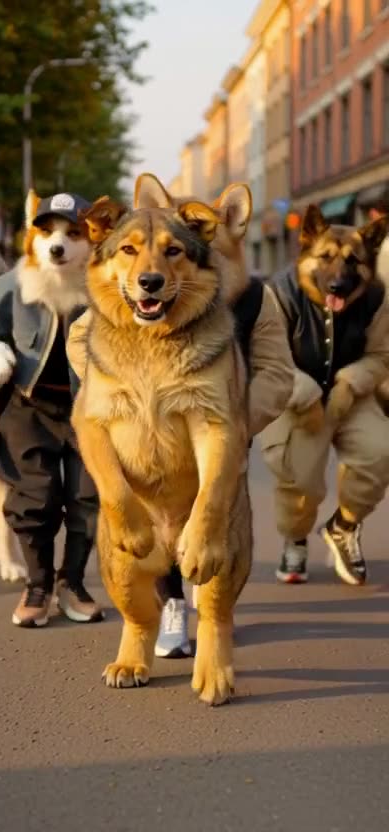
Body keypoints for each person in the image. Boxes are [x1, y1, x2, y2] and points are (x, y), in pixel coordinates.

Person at [0, 190, 103, 627]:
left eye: (72, 234)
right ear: (33, 236)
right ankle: (38, 585)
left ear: (93, 238)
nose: (57, 244)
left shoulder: (105, 289)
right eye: (47, 233)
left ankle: (73, 583)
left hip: (90, 408)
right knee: (33, 497)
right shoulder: (12, 286)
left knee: (88, 498)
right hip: (28, 405)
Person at [152, 276, 295, 656]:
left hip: (222, 439)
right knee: (162, 528)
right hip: (156, 439)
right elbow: (83, 338)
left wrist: (236, 422)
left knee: (223, 529)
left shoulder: (254, 294)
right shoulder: (144, 278)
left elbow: (277, 372)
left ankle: (216, 613)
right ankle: (171, 605)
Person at [261, 205, 389, 587]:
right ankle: (295, 538)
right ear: (305, 251)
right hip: (295, 396)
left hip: (352, 395)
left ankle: (343, 527)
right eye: (326, 258)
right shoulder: (280, 294)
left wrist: (350, 384)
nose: (338, 276)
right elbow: (267, 358)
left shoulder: (377, 297)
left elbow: (381, 355)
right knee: (299, 482)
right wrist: (304, 393)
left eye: (351, 262)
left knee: (379, 453)